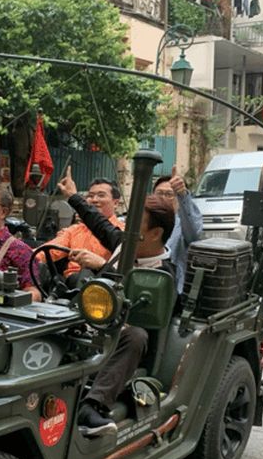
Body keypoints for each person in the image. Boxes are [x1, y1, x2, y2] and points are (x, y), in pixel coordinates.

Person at [57, 169, 175, 437]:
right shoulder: (125, 244)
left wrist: (102, 266)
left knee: (135, 335)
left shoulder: (163, 275)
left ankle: (93, 406)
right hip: (89, 321)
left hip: (121, 337)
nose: (127, 229)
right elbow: (97, 221)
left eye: (136, 226)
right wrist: (73, 196)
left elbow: (133, 310)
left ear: (155, 233)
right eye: (127, 222)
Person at [43, 178, 125, 277]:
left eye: (101, 195)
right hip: (71, 281)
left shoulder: (122, 233)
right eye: (90, 196)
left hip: (103, 282)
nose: (94, 200)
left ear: (116, 203)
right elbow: (49, 251)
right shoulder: (74, 230)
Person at [152, 167, 203, 293]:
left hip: (171, 290)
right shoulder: (144, 221)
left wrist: (182, 194)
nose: (163, 198)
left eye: (169, 194)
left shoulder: (182, 223)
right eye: (159, 193)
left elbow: (194, 235)